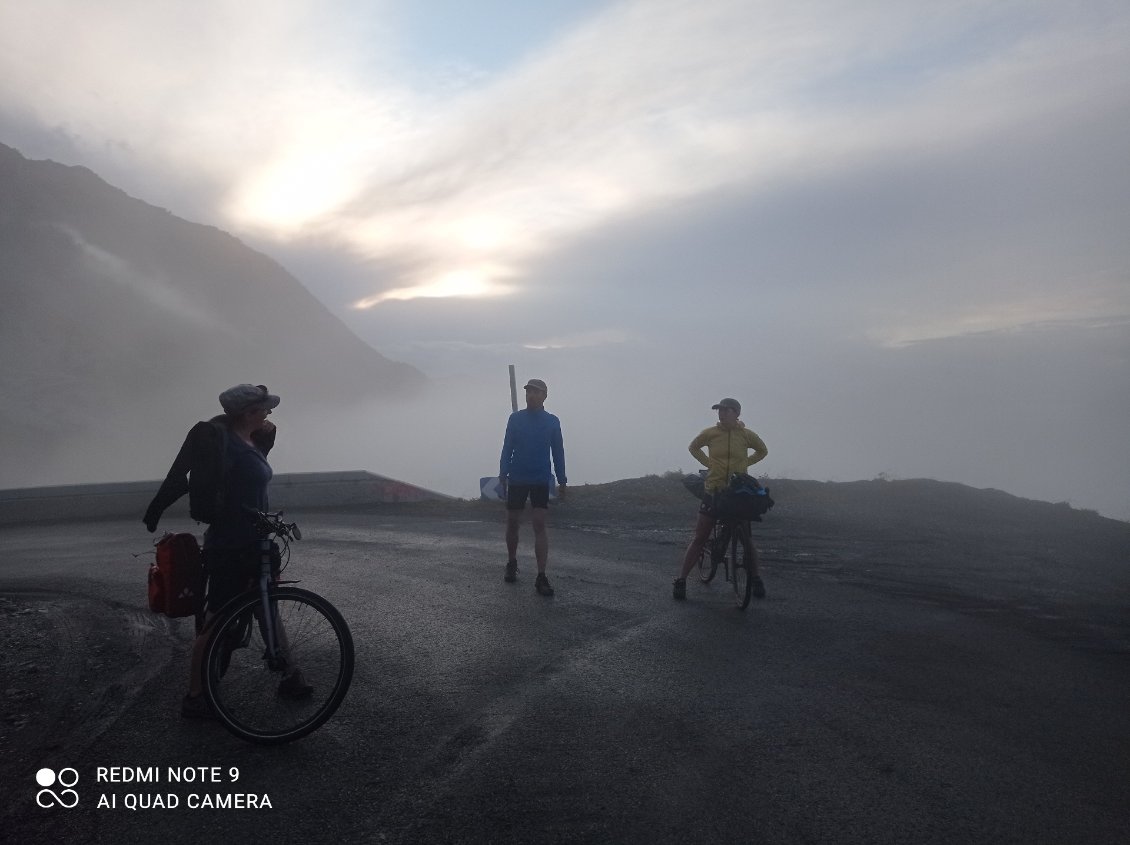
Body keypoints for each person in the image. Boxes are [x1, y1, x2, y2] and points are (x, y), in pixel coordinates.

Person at [144, 383, 310, 717]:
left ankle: (291, 674)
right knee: (217, 620)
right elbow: (202, 482)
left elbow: (252, 481)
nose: (269, 413)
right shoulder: (225, 446)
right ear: (248, 412)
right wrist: (157, 508)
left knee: (268, 605)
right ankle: (195, 696)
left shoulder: (251, 441)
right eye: (263, 408)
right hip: (231, 545)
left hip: (257, 542)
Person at [673, 398, 768, 601]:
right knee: (700, 537)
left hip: (736, 492)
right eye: (719, 410)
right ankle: (681, 580)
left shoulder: (746, 435)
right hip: (714, 490)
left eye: (726, 410)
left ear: (737, 413)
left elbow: (763, 451)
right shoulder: (711, 433)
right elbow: (693, 447)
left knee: (746, 539)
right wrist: (709, 463)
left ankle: (757, 579)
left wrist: (744, 463)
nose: (721, 414)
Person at [498, 378, 567, 596]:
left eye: (536, 392)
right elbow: (507, 446)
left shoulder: (552, 421)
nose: (531, 395)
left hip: (539, 478)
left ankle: (541, 575)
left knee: (539, 523)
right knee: (512, 521)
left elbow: (558, 451)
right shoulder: (515, 419)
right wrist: (503, 473)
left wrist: (563, 480)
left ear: (545, 396)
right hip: (517, 477)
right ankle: (511, 562)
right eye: (528, 392)